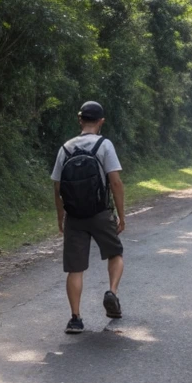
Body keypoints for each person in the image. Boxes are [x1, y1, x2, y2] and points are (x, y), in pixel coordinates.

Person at [51, 100, 126, 334]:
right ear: (101, 121)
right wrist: (121, 216)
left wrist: (61, 217)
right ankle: (111, 293)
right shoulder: (105, 145)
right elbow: (115, 182)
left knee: (75, 269)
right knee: (115, 253)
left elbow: (57, 187)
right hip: (100, 213)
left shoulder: (66, 148)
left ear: (80, 120)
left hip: (74, 216)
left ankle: (75, 318)